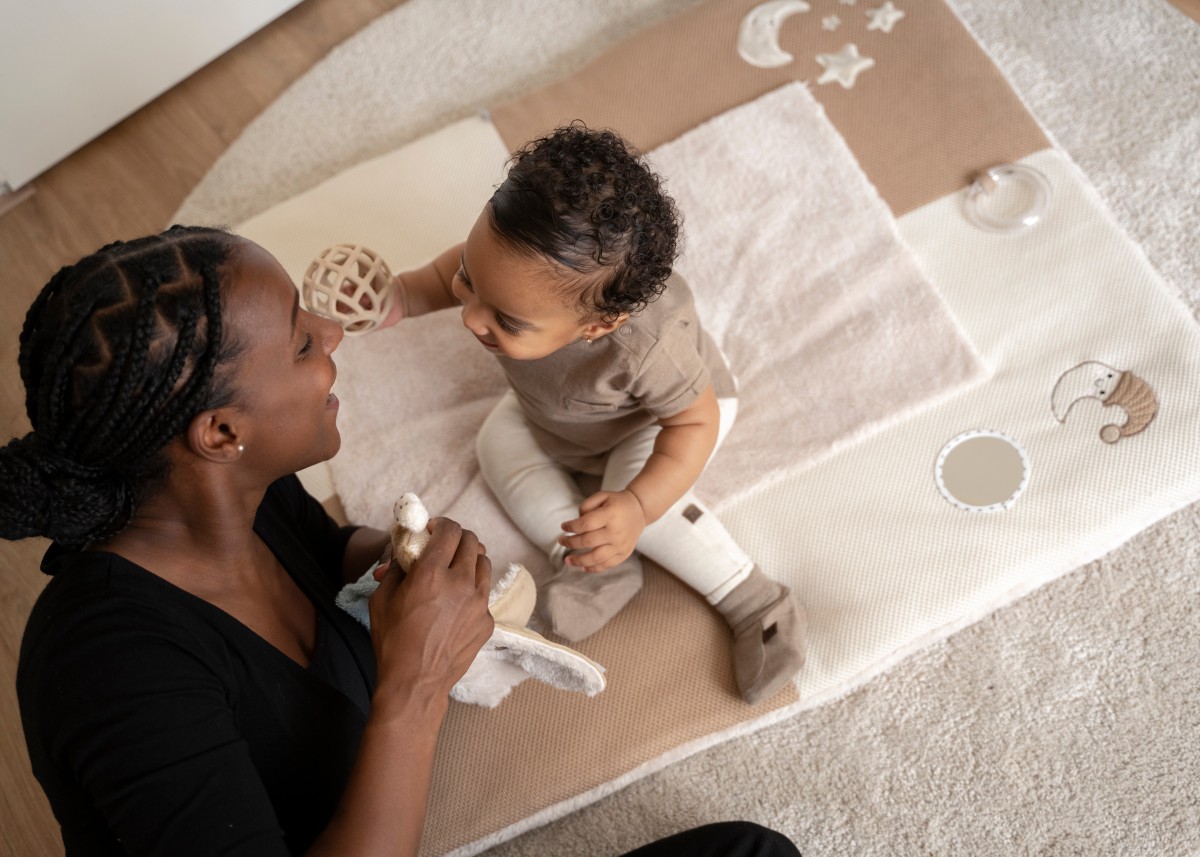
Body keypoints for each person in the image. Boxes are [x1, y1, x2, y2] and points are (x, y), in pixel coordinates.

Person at [1, 226, 801, 856]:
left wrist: (407, 568)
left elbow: (326, 551)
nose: (334, 333)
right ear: (220, 430)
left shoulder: (232, 492)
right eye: (302, 342)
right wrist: (413, 689)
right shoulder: (111, 673)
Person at [382, 125, 806, 705]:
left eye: (505, 320)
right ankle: (592, 565)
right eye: (469, 279)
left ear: (597, 326)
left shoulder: (648, 349)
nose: (471, 319)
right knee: (495, 447)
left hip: (658, 424)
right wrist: (401, 296)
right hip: (557, 415)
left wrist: (636, 507)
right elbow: (437, 275)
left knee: (637, 504)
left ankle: (755, 602)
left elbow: (694, 424)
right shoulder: (508, 268)